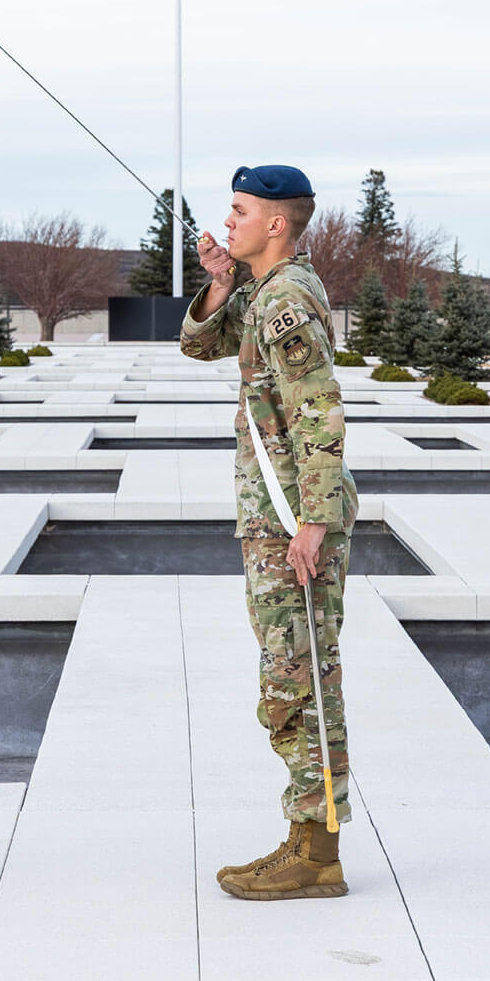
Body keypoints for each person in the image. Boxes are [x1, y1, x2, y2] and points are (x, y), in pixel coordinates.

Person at [180, 165, 358, 900]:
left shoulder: (286, 300)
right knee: (291, 673)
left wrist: (312, 522)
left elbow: (320, 411)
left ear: (276, 223)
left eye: (240, 211)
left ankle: (317, 852)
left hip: (292, 521)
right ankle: (305, 836)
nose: (228, 223)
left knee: (300, 677)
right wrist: (221, 283)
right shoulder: (264, 290)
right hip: (278, 517)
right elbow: (198, 345)